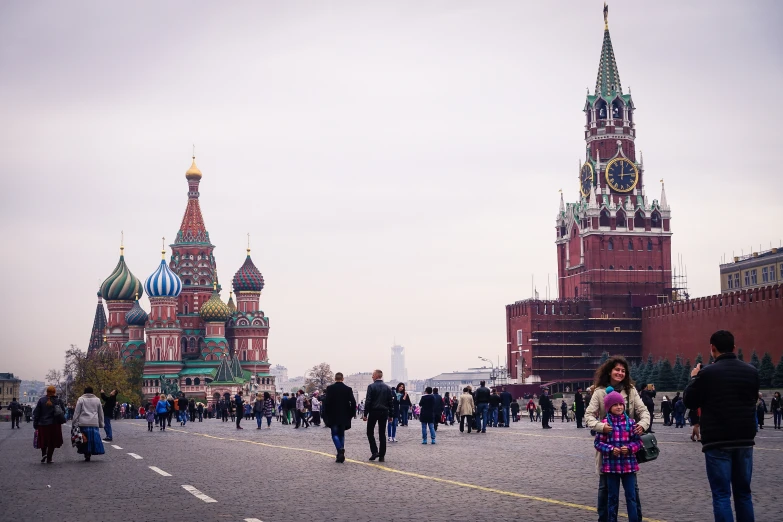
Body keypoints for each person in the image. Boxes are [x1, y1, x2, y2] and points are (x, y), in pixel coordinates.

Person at [684, 330, 758, 522]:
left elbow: (690, 401)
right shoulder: (752, 372)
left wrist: (694, 378)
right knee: (744, 494)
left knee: (722, 495)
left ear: (712, 348)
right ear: (734, 348)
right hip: (744, 440)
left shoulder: (707, 373)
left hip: (717, 441)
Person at [585, 356, 650, 522]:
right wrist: (601, 427)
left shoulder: (631, 390)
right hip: (608, 450)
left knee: (632, 491)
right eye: (617, 370)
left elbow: (644, 412)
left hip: (628, 450)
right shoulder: (599, 391)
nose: (620, 373)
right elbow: (589, 416)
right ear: (609, 371)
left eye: (623, 370)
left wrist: (642, 425)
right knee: (605, 489)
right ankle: (604, 519)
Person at [594, 389, 643, 522]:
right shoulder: (605, 424)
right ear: (609, 407)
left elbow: (638, 442)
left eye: (620, 404)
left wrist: (629, 448)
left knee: (631, 497)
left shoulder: (631, 423)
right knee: (612, 498)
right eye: (615, 405)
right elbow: (598, 443)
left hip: (629, 466)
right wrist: (610, 449)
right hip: (611, 467)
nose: (619, 407)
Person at [323, 372, 356, 463]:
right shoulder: (348, 389)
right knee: (341, 434)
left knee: (334, 434)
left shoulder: (330, 389)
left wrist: (326, 414)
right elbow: (353, 403)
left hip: (333, 415)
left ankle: (340, 449)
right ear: (343, 378)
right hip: (344, 415)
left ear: (335, 378)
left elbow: (326, 403)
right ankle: (340, 453)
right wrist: (351, 414)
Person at [363, 369, 394, 462]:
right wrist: (391, 415)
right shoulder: (388, 388)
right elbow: (390, 403)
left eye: (373, 375)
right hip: (384, 412)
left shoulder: (371, 387)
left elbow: (368, 401)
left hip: (373, 411)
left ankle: (374, 451)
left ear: (376, 376)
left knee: (369, 432)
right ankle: (382, 455)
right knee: (382, 434)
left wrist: (365, 414)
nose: (372, 377)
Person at [72, 386, 105, 462]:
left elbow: (77, 412)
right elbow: (100, 413)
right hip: (94, 422)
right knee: (93, 439)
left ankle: (86, 453)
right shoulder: (97, 400)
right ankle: (90, 452)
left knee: (84, 439)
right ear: (92, 392)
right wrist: (101, 423)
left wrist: (74, 422)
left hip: (83, 422)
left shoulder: (81, 399)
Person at [33, 386, 64, 463]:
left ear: (46, 392)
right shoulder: (58, 401)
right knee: (52, 441)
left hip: (42, 424)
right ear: (54, 392)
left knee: (43, 439)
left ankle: (44, 454)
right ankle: (49, 458)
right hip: (54, 424)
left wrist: (35, 423)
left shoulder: (41, 400)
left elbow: (36, 413)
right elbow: (63, 411)